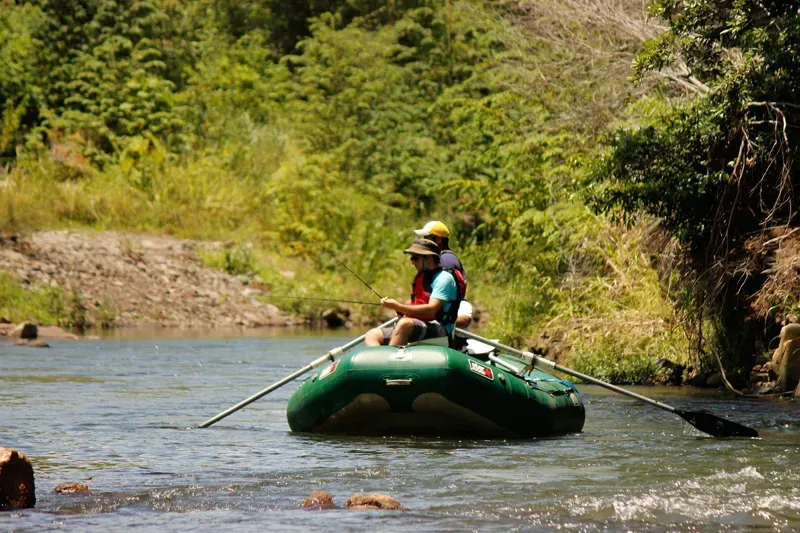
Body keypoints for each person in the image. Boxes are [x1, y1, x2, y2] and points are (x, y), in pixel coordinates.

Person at [364, 239, 459, 346]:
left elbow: (431, 310)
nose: (412, 262)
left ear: (428, 257)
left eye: (415, 258)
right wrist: (401, 310)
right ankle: (378, 361)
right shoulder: (422, 277)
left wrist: (399, 306)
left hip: (441, 329)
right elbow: (418, 303)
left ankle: (391, 360)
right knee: (372, 334)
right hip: (418, 324)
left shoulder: (443, 278)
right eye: (411, 258)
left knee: (405, 324)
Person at [413, 221, 473, 329]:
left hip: (446, 316)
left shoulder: (445, 260)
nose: (423, 241)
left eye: (427, 238)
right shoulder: (441, 258)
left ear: (438, 239)